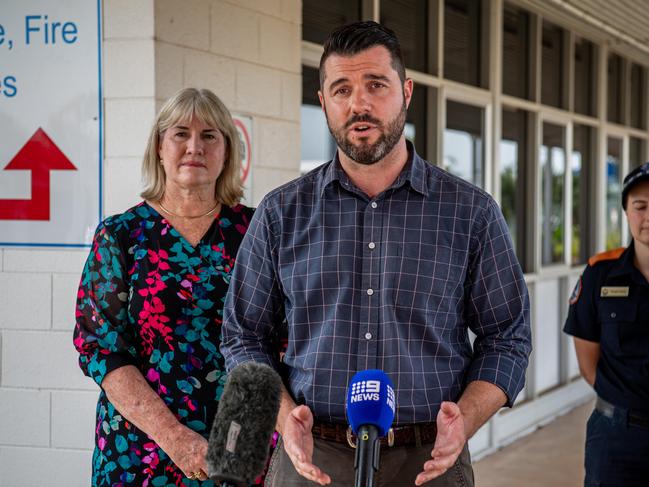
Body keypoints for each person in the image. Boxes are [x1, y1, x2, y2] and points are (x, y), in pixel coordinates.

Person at [221, 21, 531, 487]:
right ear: (323, 101)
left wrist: (465, 418)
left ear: (406, 92)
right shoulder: (281, 213)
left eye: (376, 85)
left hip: (430, 463)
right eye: (341, 89)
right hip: (310, 459)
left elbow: (507, 335)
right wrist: (284, 417)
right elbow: (243, 335)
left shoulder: (471, 213)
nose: (359, 104)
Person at [73, 87, 254, 486]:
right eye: (180, 134)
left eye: (210, 135)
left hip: (238, 451)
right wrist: (175, 438)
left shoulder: (255, 232)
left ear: (226, 151)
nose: (195, 146)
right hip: (138, 451)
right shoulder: (120, 235)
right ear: (159, 147)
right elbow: (101, 349)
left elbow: (279, 339)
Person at [564, 161, 649, 487]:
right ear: (626, 212)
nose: (647, 216)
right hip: (616, 437)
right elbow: (589, 364)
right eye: (640, 206)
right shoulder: (600, 274)